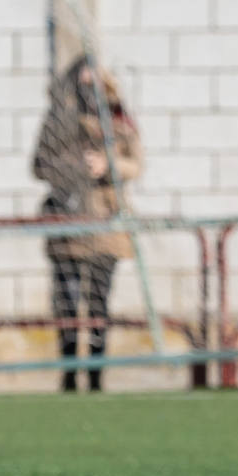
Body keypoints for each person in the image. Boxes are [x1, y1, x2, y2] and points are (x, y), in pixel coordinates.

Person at [32, 55, 143, 393]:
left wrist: (107, 165)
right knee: (66, 302)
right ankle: (69, 372)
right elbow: (40, 165)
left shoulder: (118, 118)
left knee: (98, 304)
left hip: (106, 223)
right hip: (67, 220)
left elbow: (135, 164)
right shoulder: (59, 120)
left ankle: (96, 374)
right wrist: (76, 166)